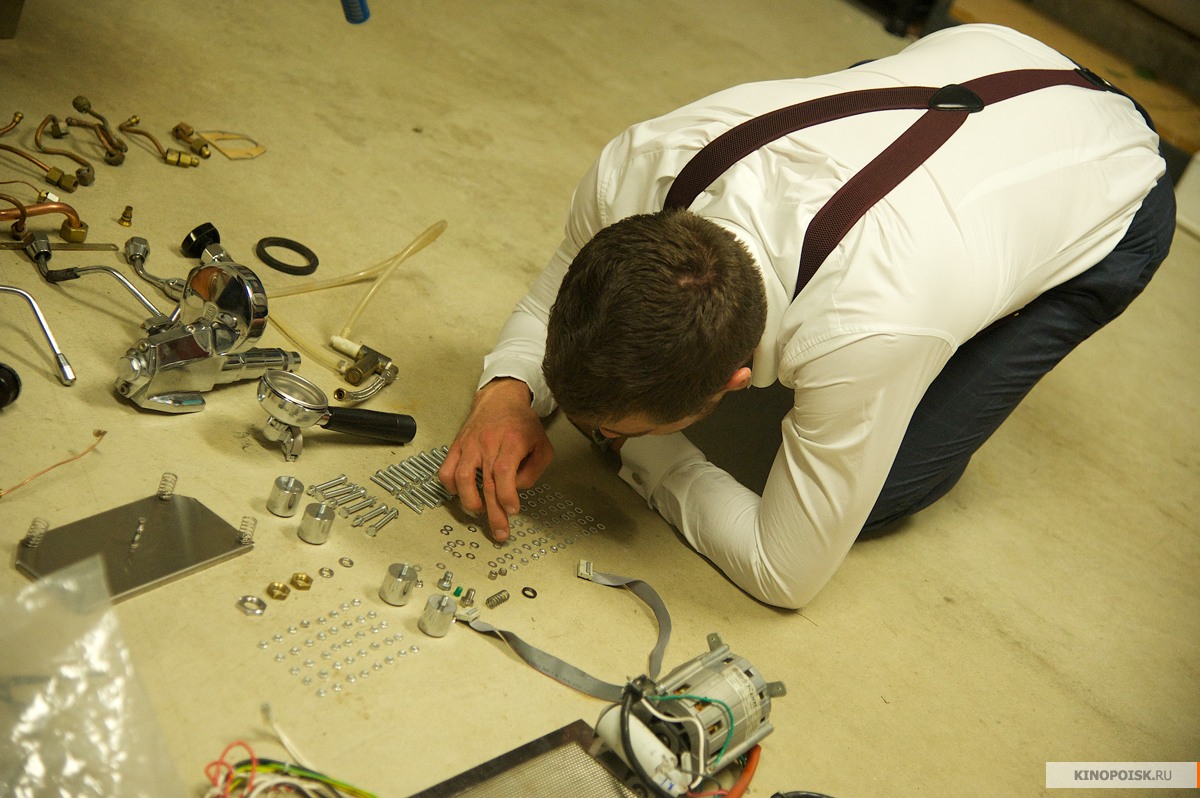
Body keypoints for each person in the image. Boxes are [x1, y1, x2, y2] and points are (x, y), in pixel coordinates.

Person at [438, 24, 1175, 609]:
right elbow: (548, 300)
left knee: (877, 494)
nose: (586, 429)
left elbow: (784, 570)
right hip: (976, 53)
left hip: (1118, 181)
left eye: (611, 426)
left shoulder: (872, 326)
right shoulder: (638, 165)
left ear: (732, 380)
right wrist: (507, 391)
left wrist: (635, 454)